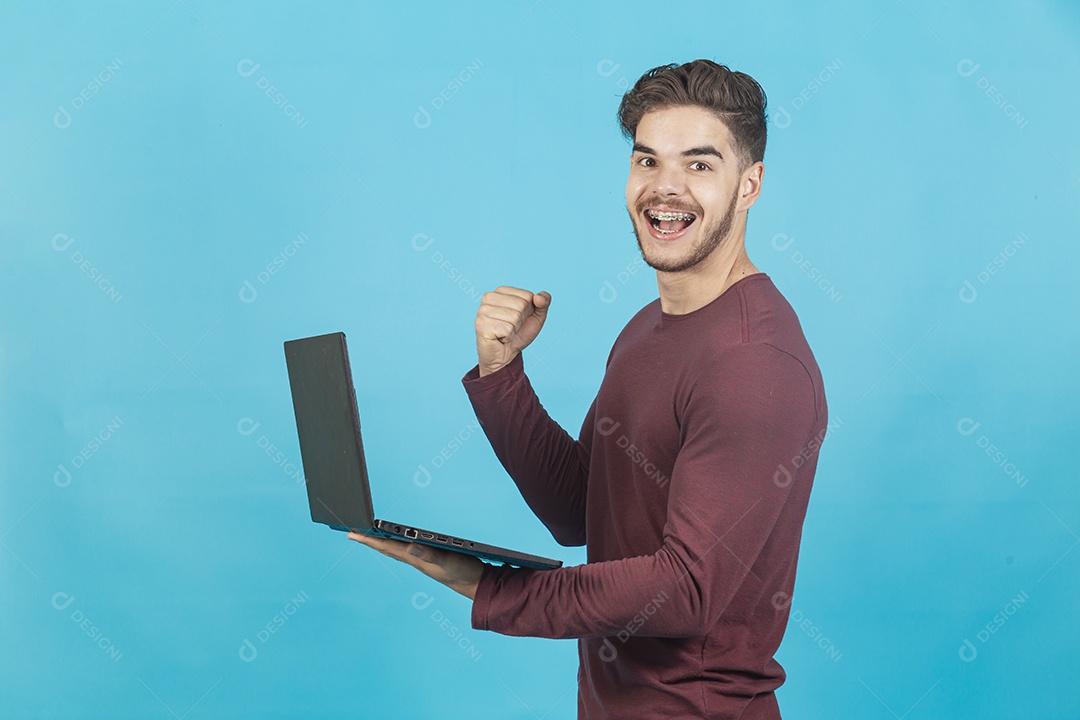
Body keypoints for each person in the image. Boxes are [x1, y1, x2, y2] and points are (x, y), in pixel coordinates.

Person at [351, 59, 829, 720]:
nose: (665, 190)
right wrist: (502, 373)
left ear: (749, 185)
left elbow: (687, 588)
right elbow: (580, 509)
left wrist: (493, 589)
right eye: (647, 161)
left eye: (699, 165)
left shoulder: (755, 363)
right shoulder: (648, 328)